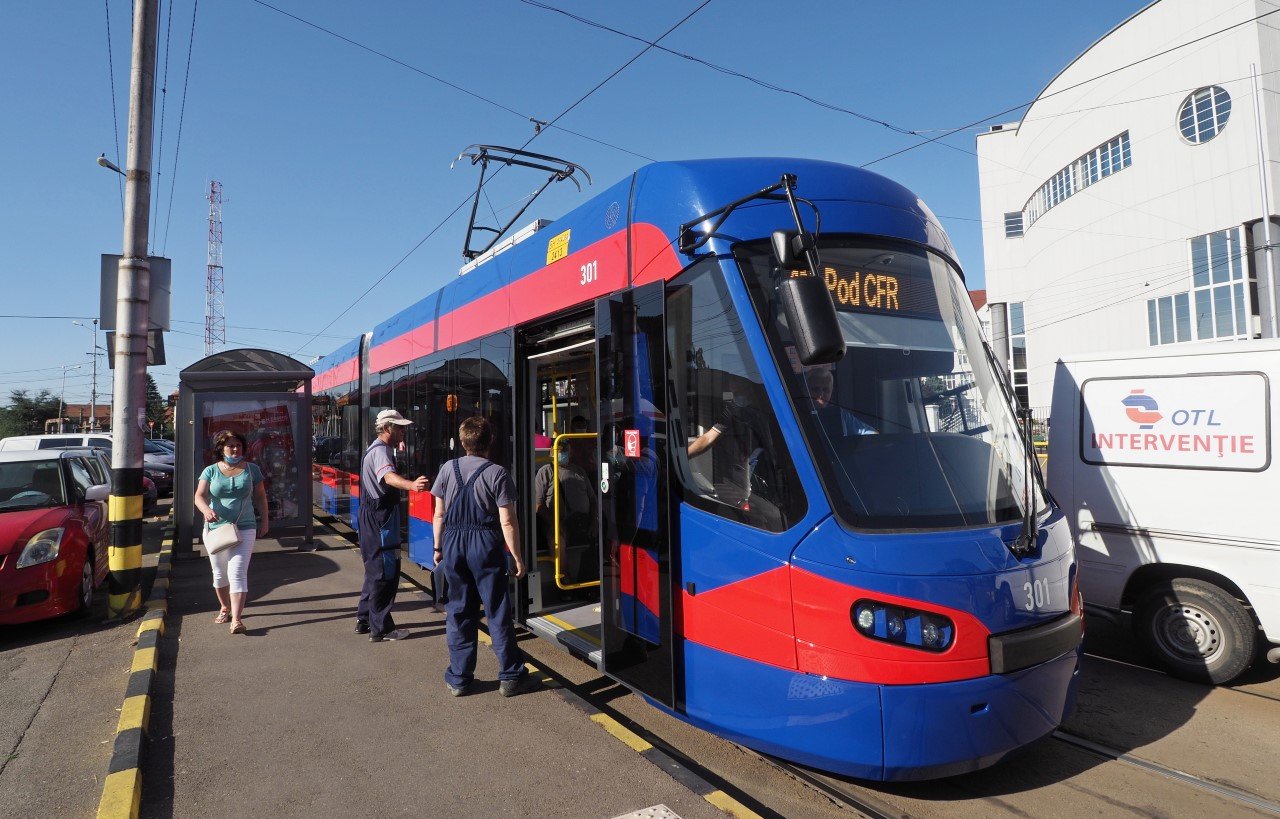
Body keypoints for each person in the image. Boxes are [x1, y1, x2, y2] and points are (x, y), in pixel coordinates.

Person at [432, 415, 528, 697]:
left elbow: (439, 513)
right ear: (491, 441)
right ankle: (511, 676)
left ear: (463, 442)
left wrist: (438, 550)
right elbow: (508, 522)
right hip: (485, 544)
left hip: (453, 542)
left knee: (458, 611)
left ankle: (460, 678)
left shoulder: (447, 469)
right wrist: (517, 557)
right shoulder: (498, 474)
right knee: (497, 610)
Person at [356, 409, 429, 642]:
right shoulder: (381, 453)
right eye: (399, 427)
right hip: (381, 520)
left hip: (372, 517)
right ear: (387, 428)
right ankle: (383, 628)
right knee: (385, 572)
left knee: (373, 570)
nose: (403, 431)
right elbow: (388, 478)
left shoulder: (377, 449)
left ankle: (364, 619)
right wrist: (412, 485)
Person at [194, 430, 269, 635]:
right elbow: (199, 496)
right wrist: (206, 510)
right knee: (219, 574)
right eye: (230, 446)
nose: (235, 449)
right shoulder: (210, 471)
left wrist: (265, 521)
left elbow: (261, 497)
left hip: (245, 527)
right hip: (215, 530)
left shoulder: (252, 470)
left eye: (238, 445)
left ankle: (236, 619)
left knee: (237, 572)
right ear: (221, 449)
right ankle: (225, 607)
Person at [533, 416, 596, 579]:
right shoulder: (546, 471)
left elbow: (594, 500)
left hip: (582, 519)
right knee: (556, 537)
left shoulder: (579, 471)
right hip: (558, 520)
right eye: (559, 450)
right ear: (552, 452)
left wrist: (595, 520)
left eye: (565, 450)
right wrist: (556, 523)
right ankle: (564, 578)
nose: (562, 453)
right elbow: (538, 504)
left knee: (604, 532)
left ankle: (591, 578)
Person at [804, 368, 877, 438]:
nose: (820, 394)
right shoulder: (795, 414)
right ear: (805, 389)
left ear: (831, 391)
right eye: (815, 389)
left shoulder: (839, 414)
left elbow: (870, 432)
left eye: (826, 390)